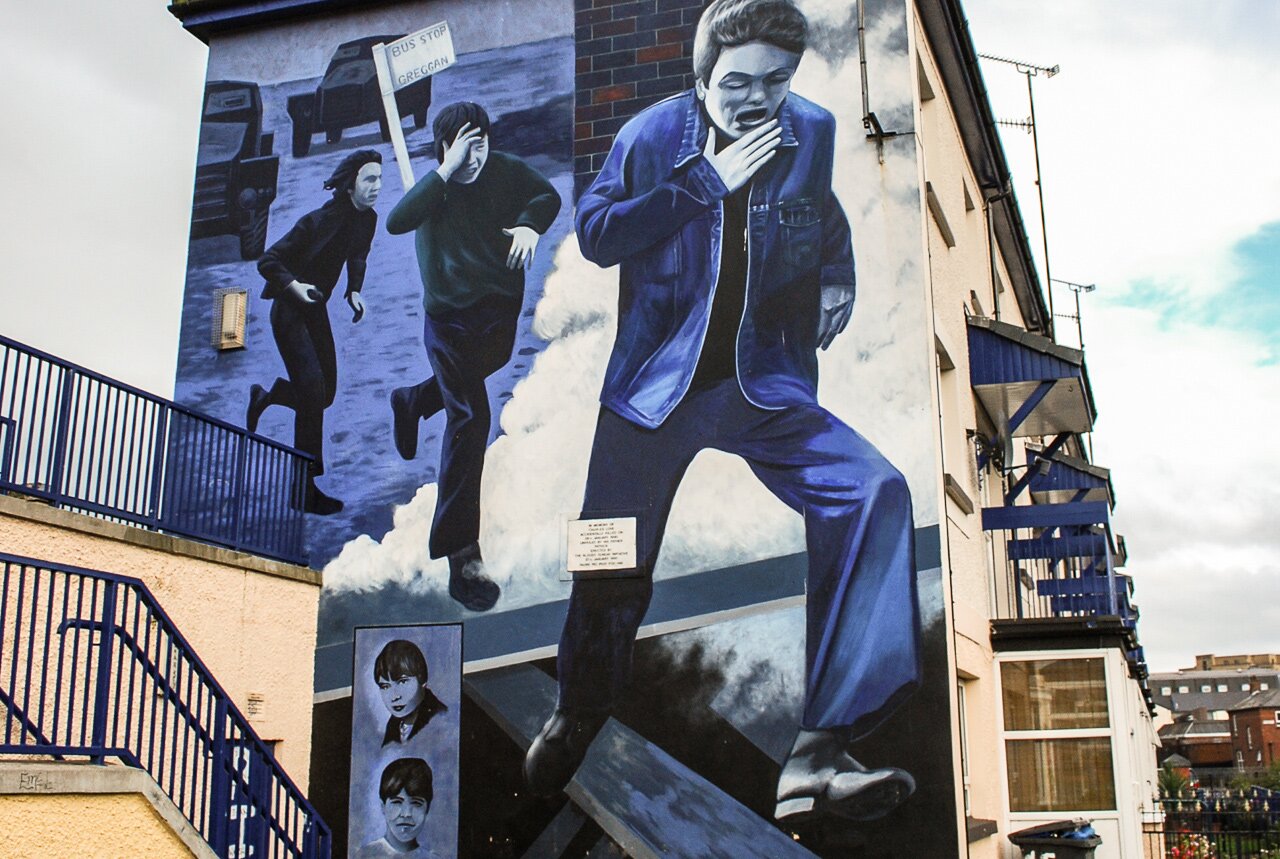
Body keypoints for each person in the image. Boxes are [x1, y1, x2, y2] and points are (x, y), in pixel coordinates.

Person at [524, 0, 921, 823]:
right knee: (606, 566)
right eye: (738, 82)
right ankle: (579, 708)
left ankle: (814, 755)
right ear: (702, 77)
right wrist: (707, 182)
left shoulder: (807, 130)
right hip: (650, 394)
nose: (757, 99)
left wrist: (839, 273)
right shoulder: (650, 137)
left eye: (776, 80)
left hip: (758, 382)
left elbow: (824, 210)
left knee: (876, 490)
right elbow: (598, 232)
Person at [386, 102, 561, 612]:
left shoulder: (504, 170)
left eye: (481, 141)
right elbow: (398, 221)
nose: (476, 155)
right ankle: (461, 556)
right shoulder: (433, 191)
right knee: (470, 417)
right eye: (465, 144)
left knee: (492, 363)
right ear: (444, 148)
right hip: (448, 324)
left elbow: (544, 194)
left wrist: (530, 224)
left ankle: (415, 399)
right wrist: (444, 169)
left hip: (496, 318)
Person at [247, 149, 381, 515]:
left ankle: (270, 395)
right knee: (311, 393)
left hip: (315, 310)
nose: (377, 187)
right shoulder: (316, 221)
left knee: (325, 394)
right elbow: (267, 260)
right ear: (350, 184)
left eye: (380, 179)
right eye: (370, 179)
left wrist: (354, 290)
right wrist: (294, 286)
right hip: (290, 310)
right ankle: (303, 488)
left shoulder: (366, 219)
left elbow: (358, 255)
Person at [354, 757, 435, 858]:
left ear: (427, 808)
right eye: (397, 802)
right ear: (383, 806)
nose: (406, 814)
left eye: (416, 803)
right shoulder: (363, 856)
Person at [374, 639, 447, 747]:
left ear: (422, 680)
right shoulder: (393, 726)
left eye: (402, 682)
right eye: (385, 686)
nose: (394, 696)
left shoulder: (441, 719)